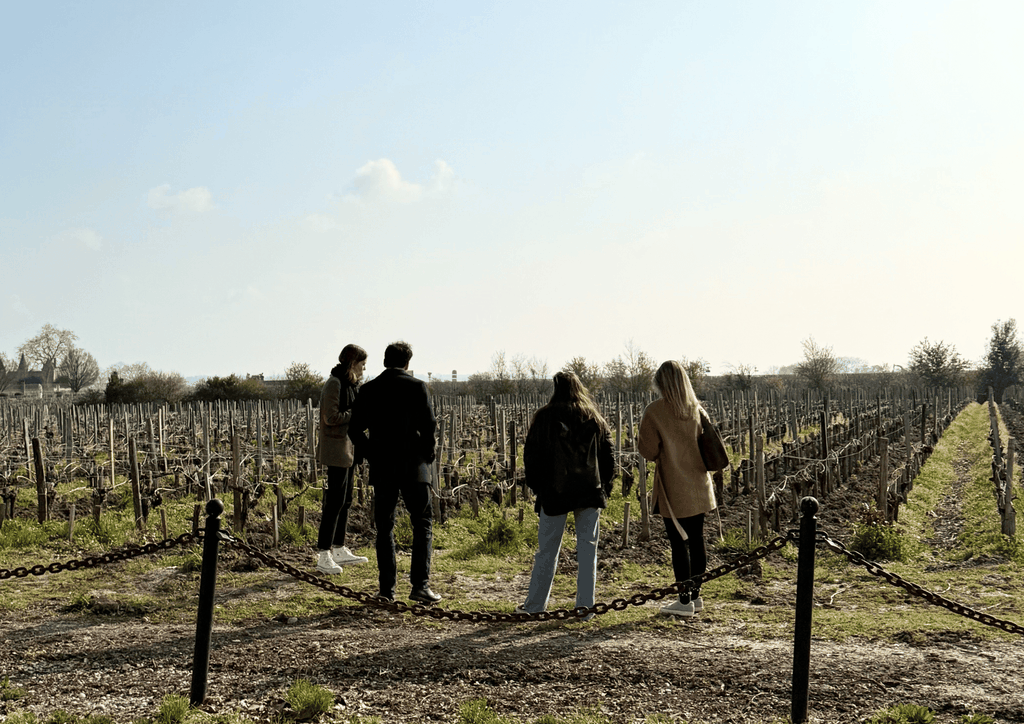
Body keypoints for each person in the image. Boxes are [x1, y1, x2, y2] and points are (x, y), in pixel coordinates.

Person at [348, 341, 440, 604]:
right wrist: (427, 454)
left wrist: (370, 452)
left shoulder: (369, 390)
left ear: (384, 361)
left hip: (383, 466)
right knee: (422, 523)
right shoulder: (417, 387)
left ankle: (386, 590)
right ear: (407, 363)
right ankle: (420, 586)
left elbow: (354, 429)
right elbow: (429, 426)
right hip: (414, 466)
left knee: (384, 527)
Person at [518, 371, 614, 620]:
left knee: (546, 551)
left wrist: (538, 488)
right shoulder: (594, 417)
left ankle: (535, 606)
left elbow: (531, 456)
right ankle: (585, 608)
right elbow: (608, 457)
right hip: (589, 492)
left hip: (554, 493)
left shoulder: (544, 417)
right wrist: (604, 487)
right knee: (587, 551)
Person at [638, 360, 718, 617]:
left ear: (660, 384)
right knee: (697, 540)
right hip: (700, 484)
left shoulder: (654, 411)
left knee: (678, 543)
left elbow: (648, 451)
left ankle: (683, 601)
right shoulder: (696, 409)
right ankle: (695, 597)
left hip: (673, 487)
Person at [314, 344, 370, 575]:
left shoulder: (350, 385)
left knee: (345, 500)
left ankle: (338, 548)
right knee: (334, 502)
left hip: (348, 449)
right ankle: (323, 554)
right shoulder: (334, 384)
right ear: (352, 363)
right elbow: (330, 417)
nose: (364, 369)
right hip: (336, 448)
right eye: (362, 364)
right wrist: (355, 414)